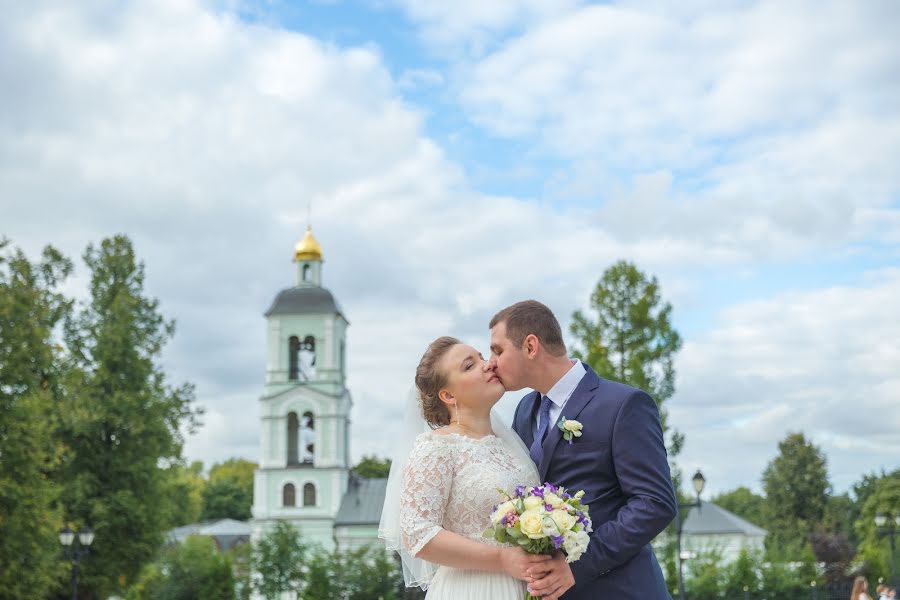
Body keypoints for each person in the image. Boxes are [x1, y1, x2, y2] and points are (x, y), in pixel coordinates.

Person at [489, 300, 677, 600]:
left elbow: (655, 502)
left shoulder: (623, 404)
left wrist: (579, 566)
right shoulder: (524, 411)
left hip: (621, 590)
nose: (491, 363)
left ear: (531, 346)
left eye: (498, 350)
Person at [379, 337, 552, 599]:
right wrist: (502, 559)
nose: (487, 365)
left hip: (524, 587)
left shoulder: (511, 445)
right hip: (472, 588)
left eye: (482, 357)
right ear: (448, 395)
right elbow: (418, 534)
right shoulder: (435, 448)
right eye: (469, 366)